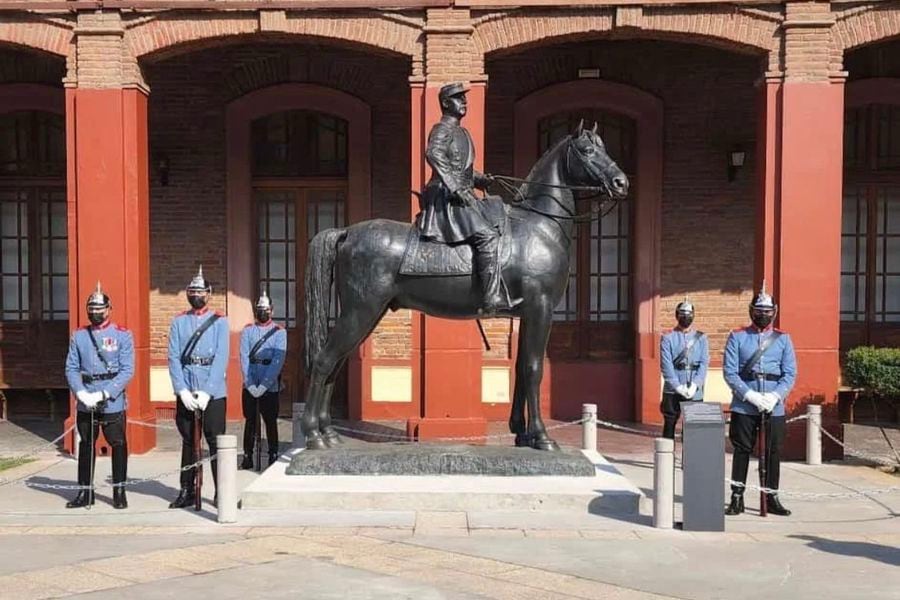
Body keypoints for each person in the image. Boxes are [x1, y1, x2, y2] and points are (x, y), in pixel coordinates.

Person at [416, 81, 521, 314]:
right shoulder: (441, 129)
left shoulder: (462, 132)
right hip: (447, 198)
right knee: (487, 236)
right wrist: (454, 187)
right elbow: (434, 154)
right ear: (445, 103)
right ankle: (490, 298)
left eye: (464, 97)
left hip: (463, 194)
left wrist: (481, 179)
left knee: (499, 214)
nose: (464, 101)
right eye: (458, 98)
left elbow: (461, 169)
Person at [723, 282, 796, 516]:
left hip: (773, 405)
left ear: (773, 313)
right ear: (751, 311)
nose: (762, 316)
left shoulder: (783, 339)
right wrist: (750, 395)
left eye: (767, 312)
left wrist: (775, 396)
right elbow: (730, 372)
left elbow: (790, 373)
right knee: (742, 449)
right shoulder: (737, 337)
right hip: (745, 404)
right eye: (758, 312)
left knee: (773, 452)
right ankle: (737, 497)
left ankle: (771, 496)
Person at [64, 283, 134, 509]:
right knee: (86, 445)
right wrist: (81, 393)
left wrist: (107, 392)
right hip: (87, 397)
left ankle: (119, 490)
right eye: (91, 309)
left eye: (99, 309)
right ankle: (85, 491)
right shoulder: (79, 336)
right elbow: (71, 368)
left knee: (118, 443)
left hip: (111, 398)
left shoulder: (122, 335)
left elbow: (127, 370)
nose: (95, 313)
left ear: (108, 309)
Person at [167, 266, 229, 509]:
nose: (196, 295)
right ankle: (187, 489)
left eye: (200, 291)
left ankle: (221, 490)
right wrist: (181, 390)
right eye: (192, 291)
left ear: (209, 293)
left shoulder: (220, 322)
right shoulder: (179, 321)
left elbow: (222, 357)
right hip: (187, 386)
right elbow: (173, 357)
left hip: (211, 391)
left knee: (216, 442)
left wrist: (208, 391)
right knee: (188, 442)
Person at [239, 290, 287, 469]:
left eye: (265, 309)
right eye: (259, 309)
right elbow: (244, 357)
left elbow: (277, 361)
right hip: (250, 380)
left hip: (270, 383)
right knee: (250, 420)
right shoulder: (248, 331)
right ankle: (247, 455)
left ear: (272, 311)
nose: (262, 312)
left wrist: (265, 385)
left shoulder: (279, 332)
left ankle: (273, 452)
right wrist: (250, 383)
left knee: (270, 420)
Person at [659, 298, 709, 439]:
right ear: (677, 315)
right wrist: (676, 386)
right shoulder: (668, 338)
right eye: (682, 314)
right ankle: (666, 459)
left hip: (694, 385)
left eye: (688, 315)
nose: (685, 318)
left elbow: (704, 364)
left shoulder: (701, 338)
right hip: (673, 387)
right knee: (669, 423)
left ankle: (690, 460)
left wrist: (696, 384)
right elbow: (666, 365)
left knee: (692, 427)